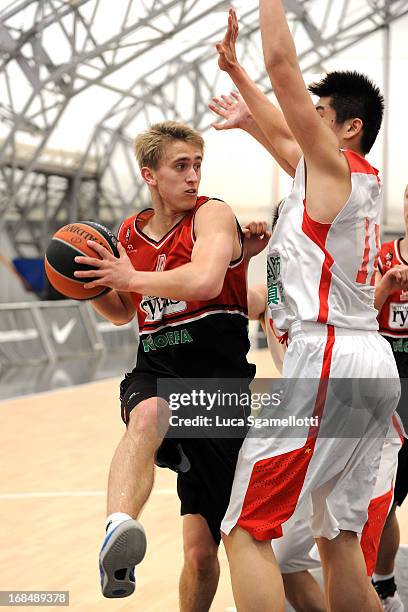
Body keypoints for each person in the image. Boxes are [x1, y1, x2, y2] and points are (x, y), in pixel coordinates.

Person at [214, 4, 402, 611]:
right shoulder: (336, 177)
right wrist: (241, 84)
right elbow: (278, 125)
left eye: (318, 116)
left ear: (347, 128)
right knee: (338, 540)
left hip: (328, 359)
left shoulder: (329, 168)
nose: (304, 123)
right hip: (367, 361)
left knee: (245, 531)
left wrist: (265, 27)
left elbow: (283, 66)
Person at [73, 120, 269, 608]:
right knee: (145, 415)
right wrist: (89, 286)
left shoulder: (213, 215)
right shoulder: (126, 233)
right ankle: (118, 528)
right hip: (158, 371)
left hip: (218, 390)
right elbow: (123, 311)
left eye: (197, 165)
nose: (193, 176)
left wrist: (129, 274)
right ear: (150, 175)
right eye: (180, 166)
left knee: (207, 552)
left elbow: (204, 282)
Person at [248, 281, 402, 612]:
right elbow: (236, 300)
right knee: (283, 557)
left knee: (350, 560)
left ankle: (386, 590)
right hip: (312, 431)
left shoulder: (339, 281)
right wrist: (240, 255)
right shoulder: (273, 290)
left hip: (363, 429)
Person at [373, 184, 408, 612]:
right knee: (384, 499)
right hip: (389, 390)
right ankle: (384, 585)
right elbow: (360, 313)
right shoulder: (381, 257)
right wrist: (383, 289)